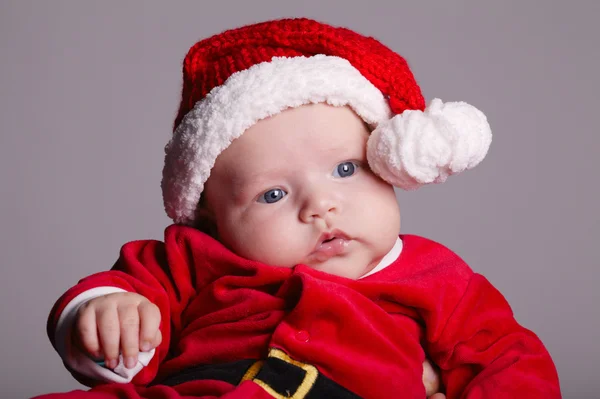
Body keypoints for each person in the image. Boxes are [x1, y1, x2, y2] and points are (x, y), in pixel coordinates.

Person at [35, 18, 561, 399]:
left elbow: (506, 357)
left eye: (346, 169)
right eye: (272, 195)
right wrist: (103, 316)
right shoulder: (192, 259)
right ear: (211, 218)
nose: (321, 206)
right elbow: (125, 294)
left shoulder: (437, 277)